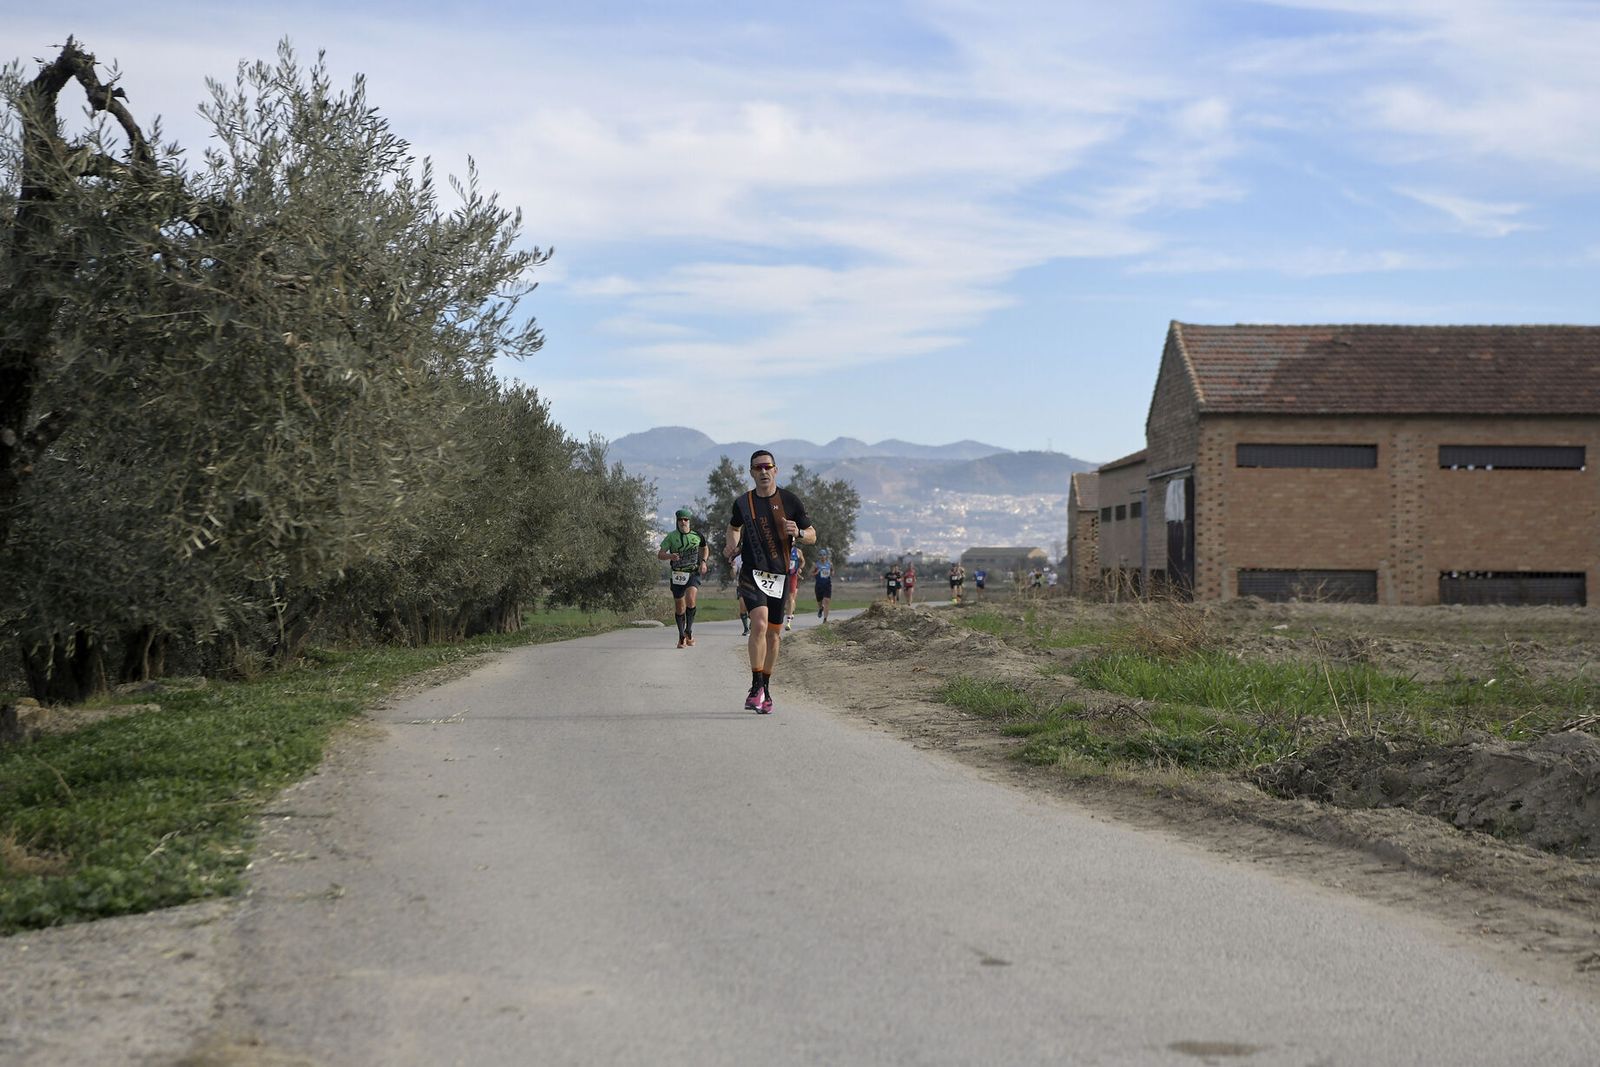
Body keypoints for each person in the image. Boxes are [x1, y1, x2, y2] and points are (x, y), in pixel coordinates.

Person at [725, 450, 816, 714]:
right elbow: (733, 527)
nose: (763, 471)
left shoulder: (790, 501)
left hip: (779, 576)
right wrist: (731, 545)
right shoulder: (743, 503)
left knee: (775, 634)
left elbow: (812, 534)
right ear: (752, 472)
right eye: (758, 468)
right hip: (752, 572)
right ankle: (755, 686)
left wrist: (798, 532)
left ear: (775, 470)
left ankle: (765, 686)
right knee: (760, 622)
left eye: (768, 466)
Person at [657, 508, 709, 648]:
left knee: (691, 599)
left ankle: (689, 630)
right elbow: (660, 554)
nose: (683, 522)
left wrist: (703, 562)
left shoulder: (697, 535)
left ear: (689, 521)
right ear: (677, 521)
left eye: (685, 519)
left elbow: (705, 548)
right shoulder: (671, 537)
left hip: (692, 572)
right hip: (677, 574)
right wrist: (670, 556)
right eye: (680, 520)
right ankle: (681, 636)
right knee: (680, 607)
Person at [784, 546, 806, 631]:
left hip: (793, 576)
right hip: (783, 576)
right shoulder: (782, 547)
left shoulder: (798, 551)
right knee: (784, 599)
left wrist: (800, 568)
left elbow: (803, 561)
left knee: (790, 598)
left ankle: (788, 622)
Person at [812, 547, 834, 622]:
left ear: (826, 556)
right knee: (819, 602)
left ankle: (825, 619)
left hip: (827, 585)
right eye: (821, 555)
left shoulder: (830, 564)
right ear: (819, 556)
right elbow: (811, 574)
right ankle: (820, 608)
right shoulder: (816, 565)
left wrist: (831, 573)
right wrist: (816, 572)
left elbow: (832, 572)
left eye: (824, 555)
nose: (822, 556)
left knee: (826, 601)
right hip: (819, 585)